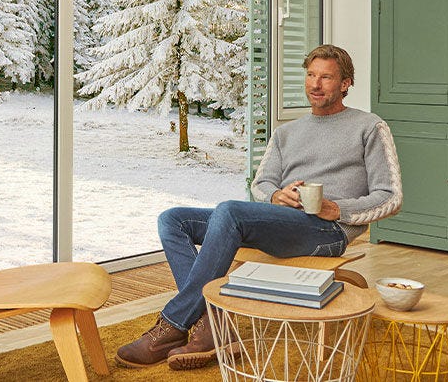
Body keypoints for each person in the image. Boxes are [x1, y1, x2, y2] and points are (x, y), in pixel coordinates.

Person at [115, 44, 403, 370]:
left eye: (326, 77)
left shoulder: (369, 127)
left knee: (230, 211)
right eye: (311, 75)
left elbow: (390, 196)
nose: (315, 84)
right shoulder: (287, 133)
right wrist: (276, 196)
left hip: (326, 231)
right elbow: (261, 184)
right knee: (173, 220)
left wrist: (337, 209)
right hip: (280, 223)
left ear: (345, 83)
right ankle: (212, 324)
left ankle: (171, 326)